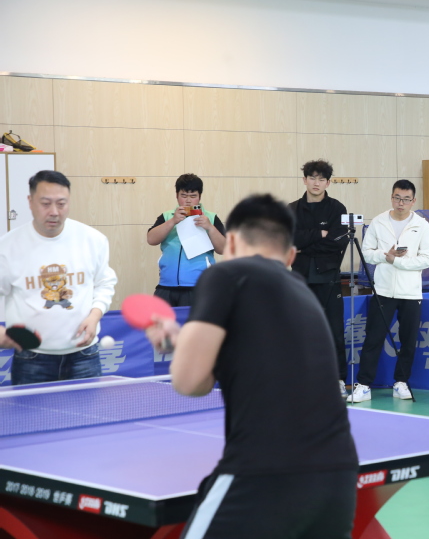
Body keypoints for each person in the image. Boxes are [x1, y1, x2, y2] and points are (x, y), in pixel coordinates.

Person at [143, 194, 358, 539]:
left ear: (230, 243)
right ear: (291, 256)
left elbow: (189, 382)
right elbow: (248, 355)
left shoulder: (226, 275)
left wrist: (172, 344)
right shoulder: (302, 293)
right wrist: (188, 344)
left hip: (264, 472)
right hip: (338, 476)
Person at [0, 170, 117, 385]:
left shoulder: (93, 240)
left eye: (61, 204)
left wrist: (94, 316)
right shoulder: (7, 247)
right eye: (45, 203)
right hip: (31, 358)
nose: (54, 212)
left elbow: (105, 283)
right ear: (30, 202)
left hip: (84, 356)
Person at [348, 180, 429, 403]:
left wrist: (397, 262)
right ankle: (364, 385)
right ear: (391, 198)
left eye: (406, 199)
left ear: (413, 201)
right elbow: (367, 253)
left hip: (411, 293)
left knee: (408, 341)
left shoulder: (422, 225)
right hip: (383, 291)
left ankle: (401, 382)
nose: (401, 203)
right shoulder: (378, 222)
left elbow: (426, 260)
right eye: (397, 198)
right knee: (373, 339)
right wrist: (386, 256)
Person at [289, 160, 350, 396]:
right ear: (304, 180)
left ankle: (338, 379)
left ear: (328, 183)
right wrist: (318, 234)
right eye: (312, 178)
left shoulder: (337, 209)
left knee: (334, 332)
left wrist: (304, 246)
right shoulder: (291, 209)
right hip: (300, 279)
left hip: (329, 278)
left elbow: (338, 243)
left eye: (321, 179)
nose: (316, 183)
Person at [147, 173, 225, 307]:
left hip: (199, 287)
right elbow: (151, 239)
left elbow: (223, 249)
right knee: (159, 320)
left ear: (200, 197)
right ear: (177, 196)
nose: (188, 201)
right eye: (183, 196)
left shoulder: (211, 218)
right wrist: (173, 221)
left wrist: (210, 228)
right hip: (166, 286)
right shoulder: (167, 216)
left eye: (193, 196)